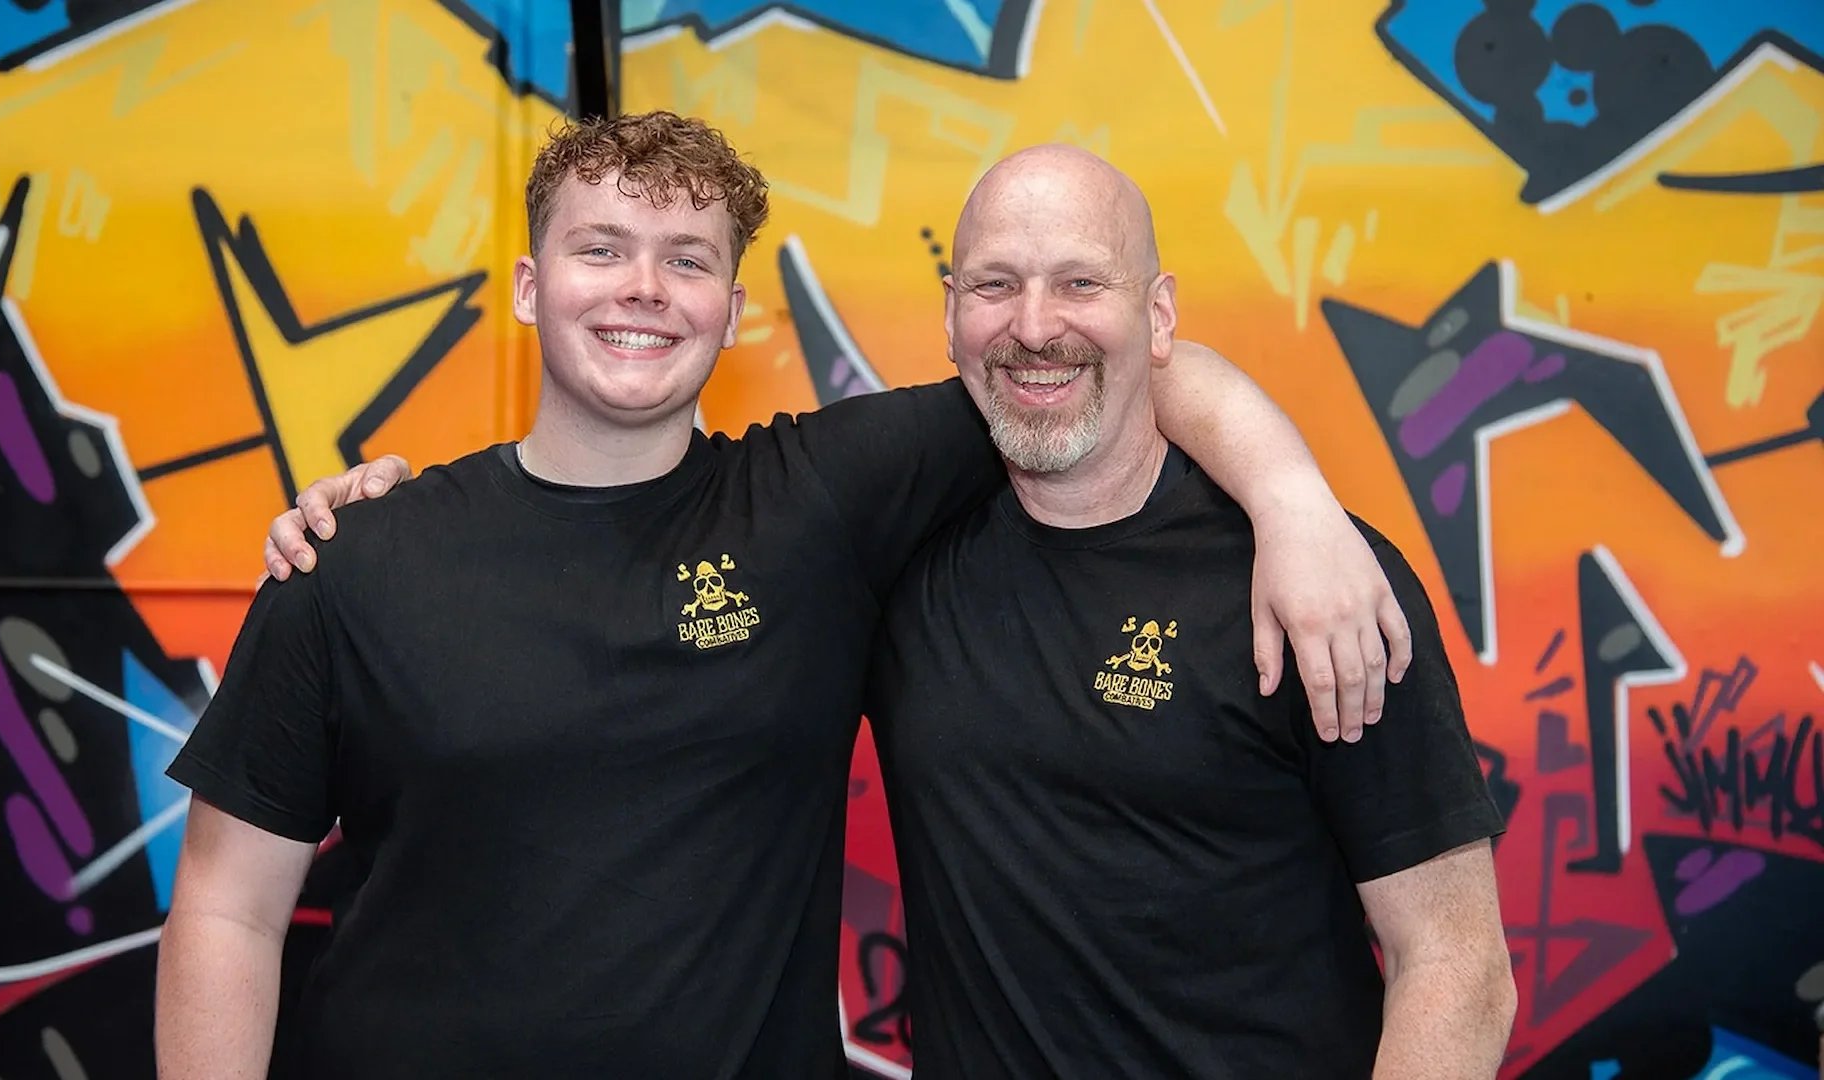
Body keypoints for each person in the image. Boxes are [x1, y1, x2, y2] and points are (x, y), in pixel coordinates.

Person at [173, 112, 1406, 1078]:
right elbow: (227, 912)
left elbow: (1086, 360)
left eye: (687, 259)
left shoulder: (820, 504)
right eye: (600, 249)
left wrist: (1292, 501)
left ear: (732, 308)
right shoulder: (356, 559)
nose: (643, 288)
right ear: (530, 285)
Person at [864, 145, 1516, 1077]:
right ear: (951, 311)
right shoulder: (894, 558)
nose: (1035, 325)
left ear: (1158, 313)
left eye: (1082, 281)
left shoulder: (1317, 583)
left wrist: (1290, 497)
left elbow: (1457, 966)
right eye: (995, 284)